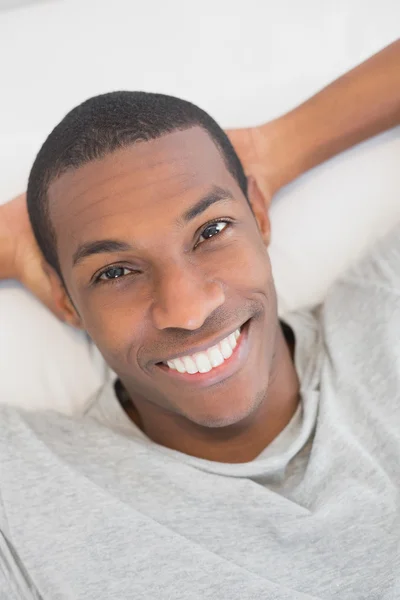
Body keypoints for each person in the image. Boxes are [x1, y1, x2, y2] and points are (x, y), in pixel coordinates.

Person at [0, 40, 398, 600]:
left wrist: (278, 144)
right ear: (67, 301)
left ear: (258, 216)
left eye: (211, 231)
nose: (187, 311)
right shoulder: (22, 494)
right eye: (115, 272)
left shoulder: (387, 309)